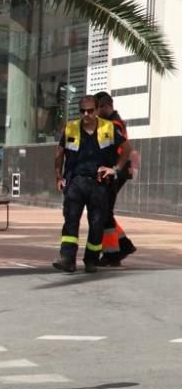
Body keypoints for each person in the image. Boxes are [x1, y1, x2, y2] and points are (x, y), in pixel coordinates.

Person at [53, 95, 128, 273]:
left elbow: (127, 149)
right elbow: (59, 153)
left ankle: (91, 260)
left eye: (90, 110)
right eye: (82, 111)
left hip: (99, 183)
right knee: (70, 221)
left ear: (97, 110)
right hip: (75, 182)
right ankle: (67, 259)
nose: (86, 114)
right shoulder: (70, 128)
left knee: (96, 223)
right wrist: (58, 176)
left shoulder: (108, 127)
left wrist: (115, 169)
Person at [94, 92, 137, 266]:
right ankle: (123, 246)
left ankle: (113, 253)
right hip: (115, 171)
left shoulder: (114, 124)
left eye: (99, 108)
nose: (97, 112)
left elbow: (121, 149)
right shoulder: (112, 122)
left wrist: (114, 169)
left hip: (115, 171)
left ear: (107, 106)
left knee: (105, 212)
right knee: (105, 211)